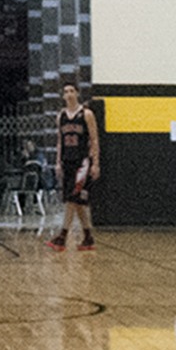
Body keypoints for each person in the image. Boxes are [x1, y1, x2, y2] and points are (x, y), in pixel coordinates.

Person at [50, 83, 101, 250]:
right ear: (63, 96)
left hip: (82, 162)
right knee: (77, 201)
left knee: (71, 198)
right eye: (66, 91)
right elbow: (59, 142)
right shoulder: (61, 116)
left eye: (72, 91)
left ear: (77, 93)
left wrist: (95, 163)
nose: (69, 94)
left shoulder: (86, 114)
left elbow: (94, 139)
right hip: (67, 161)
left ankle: (62, 236)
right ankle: (88, 237)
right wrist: (58, 162)